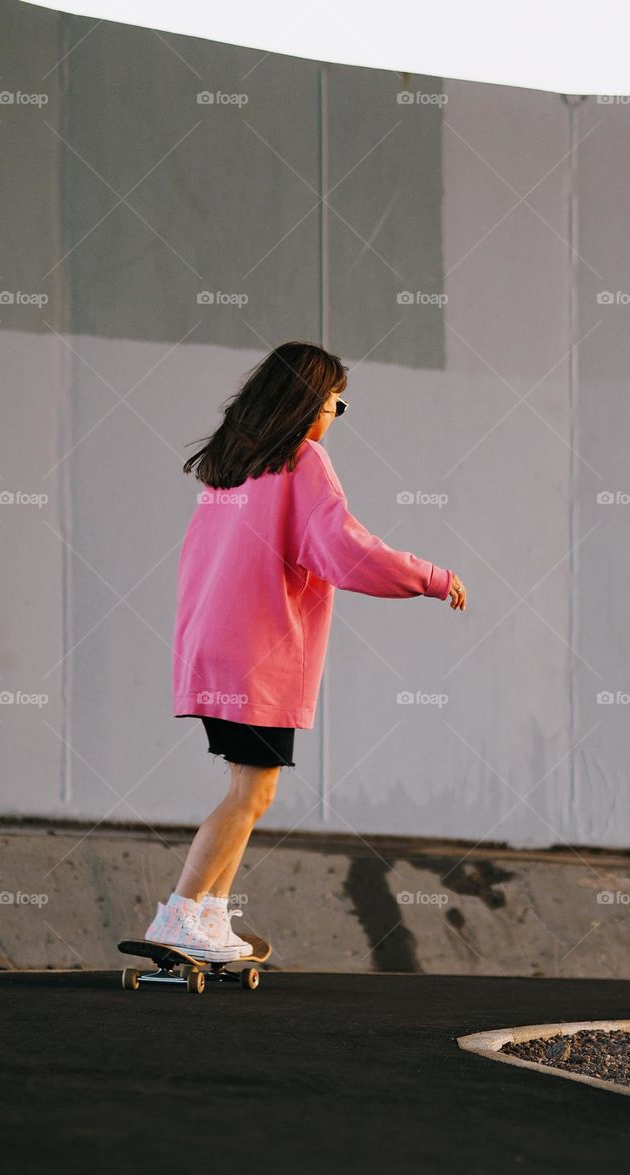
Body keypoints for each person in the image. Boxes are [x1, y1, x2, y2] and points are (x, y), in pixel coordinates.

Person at [144, 340, 467, 960]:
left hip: (211, 647)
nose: (334, 418)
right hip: (258, 654)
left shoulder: (232, 464)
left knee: (248, 785)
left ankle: (211, 914)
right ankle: (179, 913)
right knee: (252, 794)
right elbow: (345, 548)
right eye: (335, 404)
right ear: (307, 404)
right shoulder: (301, 459)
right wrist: (430, 577)